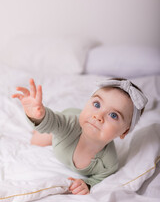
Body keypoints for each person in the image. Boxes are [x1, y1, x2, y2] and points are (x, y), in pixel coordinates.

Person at [12, 78, 148, 195]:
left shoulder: (108, 163)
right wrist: (39, 116)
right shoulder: (69, 123)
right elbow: (54, 121)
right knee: (37, 140)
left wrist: (87, 184)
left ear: (124, 132)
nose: (98, 116)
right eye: (96, 104)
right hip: (66, 119)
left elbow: (99, 179)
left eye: (113, 115)